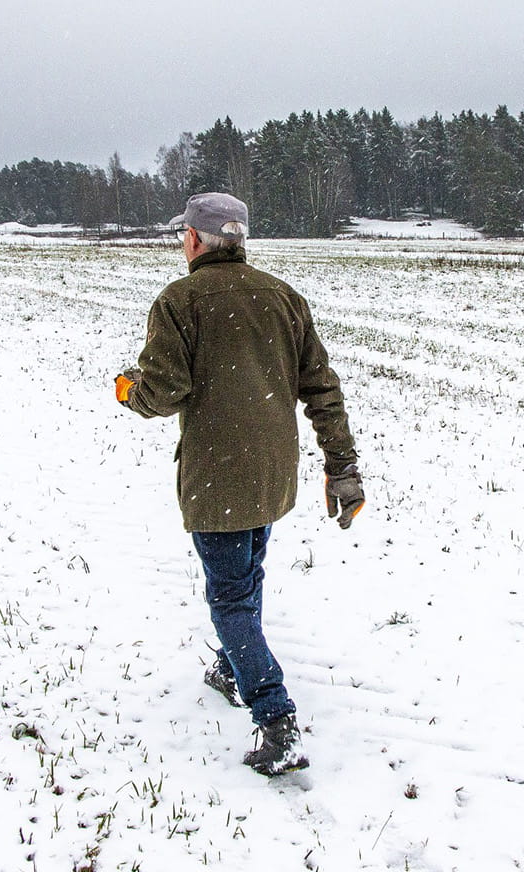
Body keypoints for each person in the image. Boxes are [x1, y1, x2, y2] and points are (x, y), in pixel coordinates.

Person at [113, 192, 364, 776]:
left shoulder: (181, 301)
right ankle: (233, 664)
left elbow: (163, 390)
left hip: (217, 481)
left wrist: (129, 389)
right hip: (270, 475)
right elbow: (322, 390)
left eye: (184, 236)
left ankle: (276, 719)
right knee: (245, 575)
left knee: (229, 596)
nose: (183, 244)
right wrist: (341, 466)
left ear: (196, 240)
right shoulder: (283, 297)